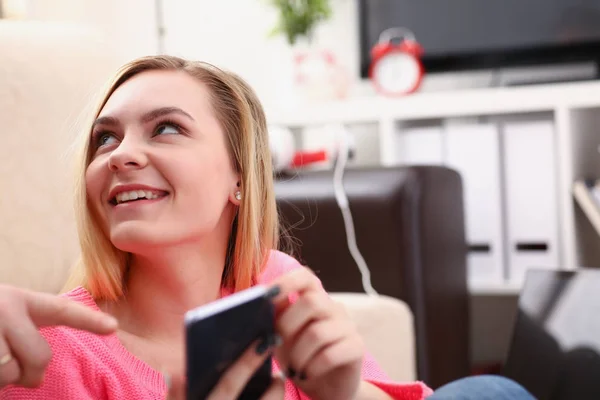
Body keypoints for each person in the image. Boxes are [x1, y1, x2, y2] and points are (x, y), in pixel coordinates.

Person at [0, 55, 534, 400]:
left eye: (165, 129)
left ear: (239, 175)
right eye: (105, 139)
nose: (121, 156)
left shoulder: (269, 282)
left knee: (493, 390)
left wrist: (344, 394)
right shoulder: (58, 353)